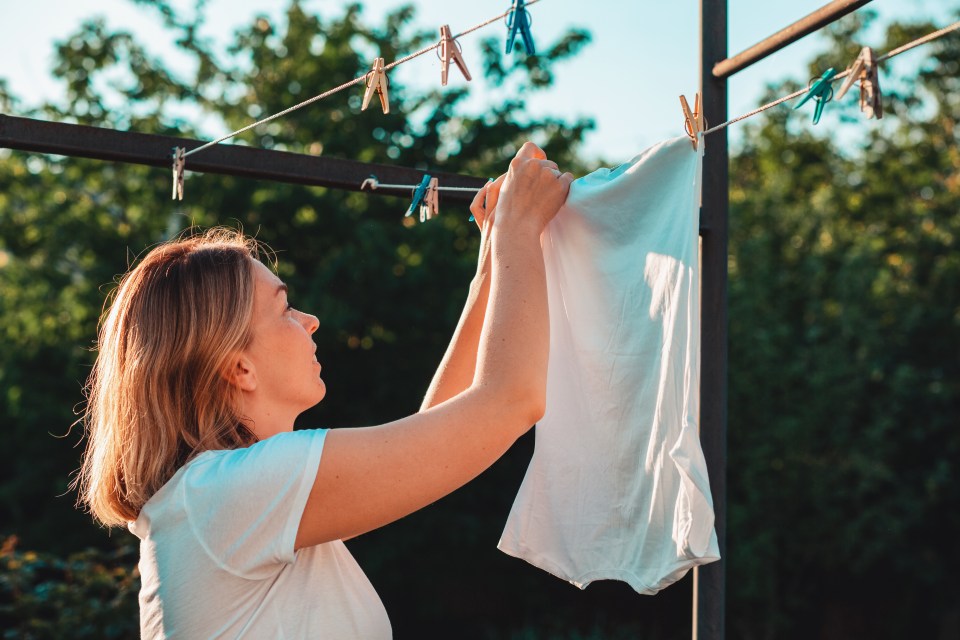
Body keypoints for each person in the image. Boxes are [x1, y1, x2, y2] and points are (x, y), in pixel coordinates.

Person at [73, 142, 574, 638]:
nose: (310, 321)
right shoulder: (230, 494)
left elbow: (433, 436)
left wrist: (489, 271)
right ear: (239, 367)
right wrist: (518, 229)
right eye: (285, 309)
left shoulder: (224, 500)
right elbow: (508, 402)